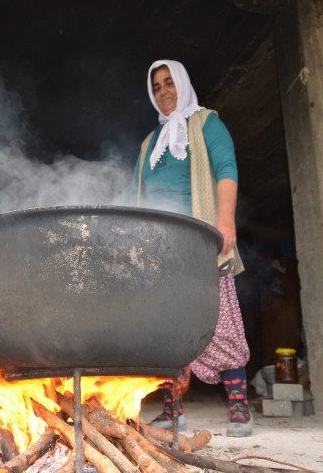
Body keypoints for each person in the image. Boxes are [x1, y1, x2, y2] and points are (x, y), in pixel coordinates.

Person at [117, 59, 252, 437]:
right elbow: (131, 194)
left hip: (197, 239)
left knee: (219, 320)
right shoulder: (149, 145)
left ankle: (240, 408)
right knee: (164, 330)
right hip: (156, 249)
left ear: (182, 83)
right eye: (156, 86)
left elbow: (227, 167)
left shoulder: (207, 122)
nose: (163, 92)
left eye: (169, 82)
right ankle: (174, 412)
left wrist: (225, 219)